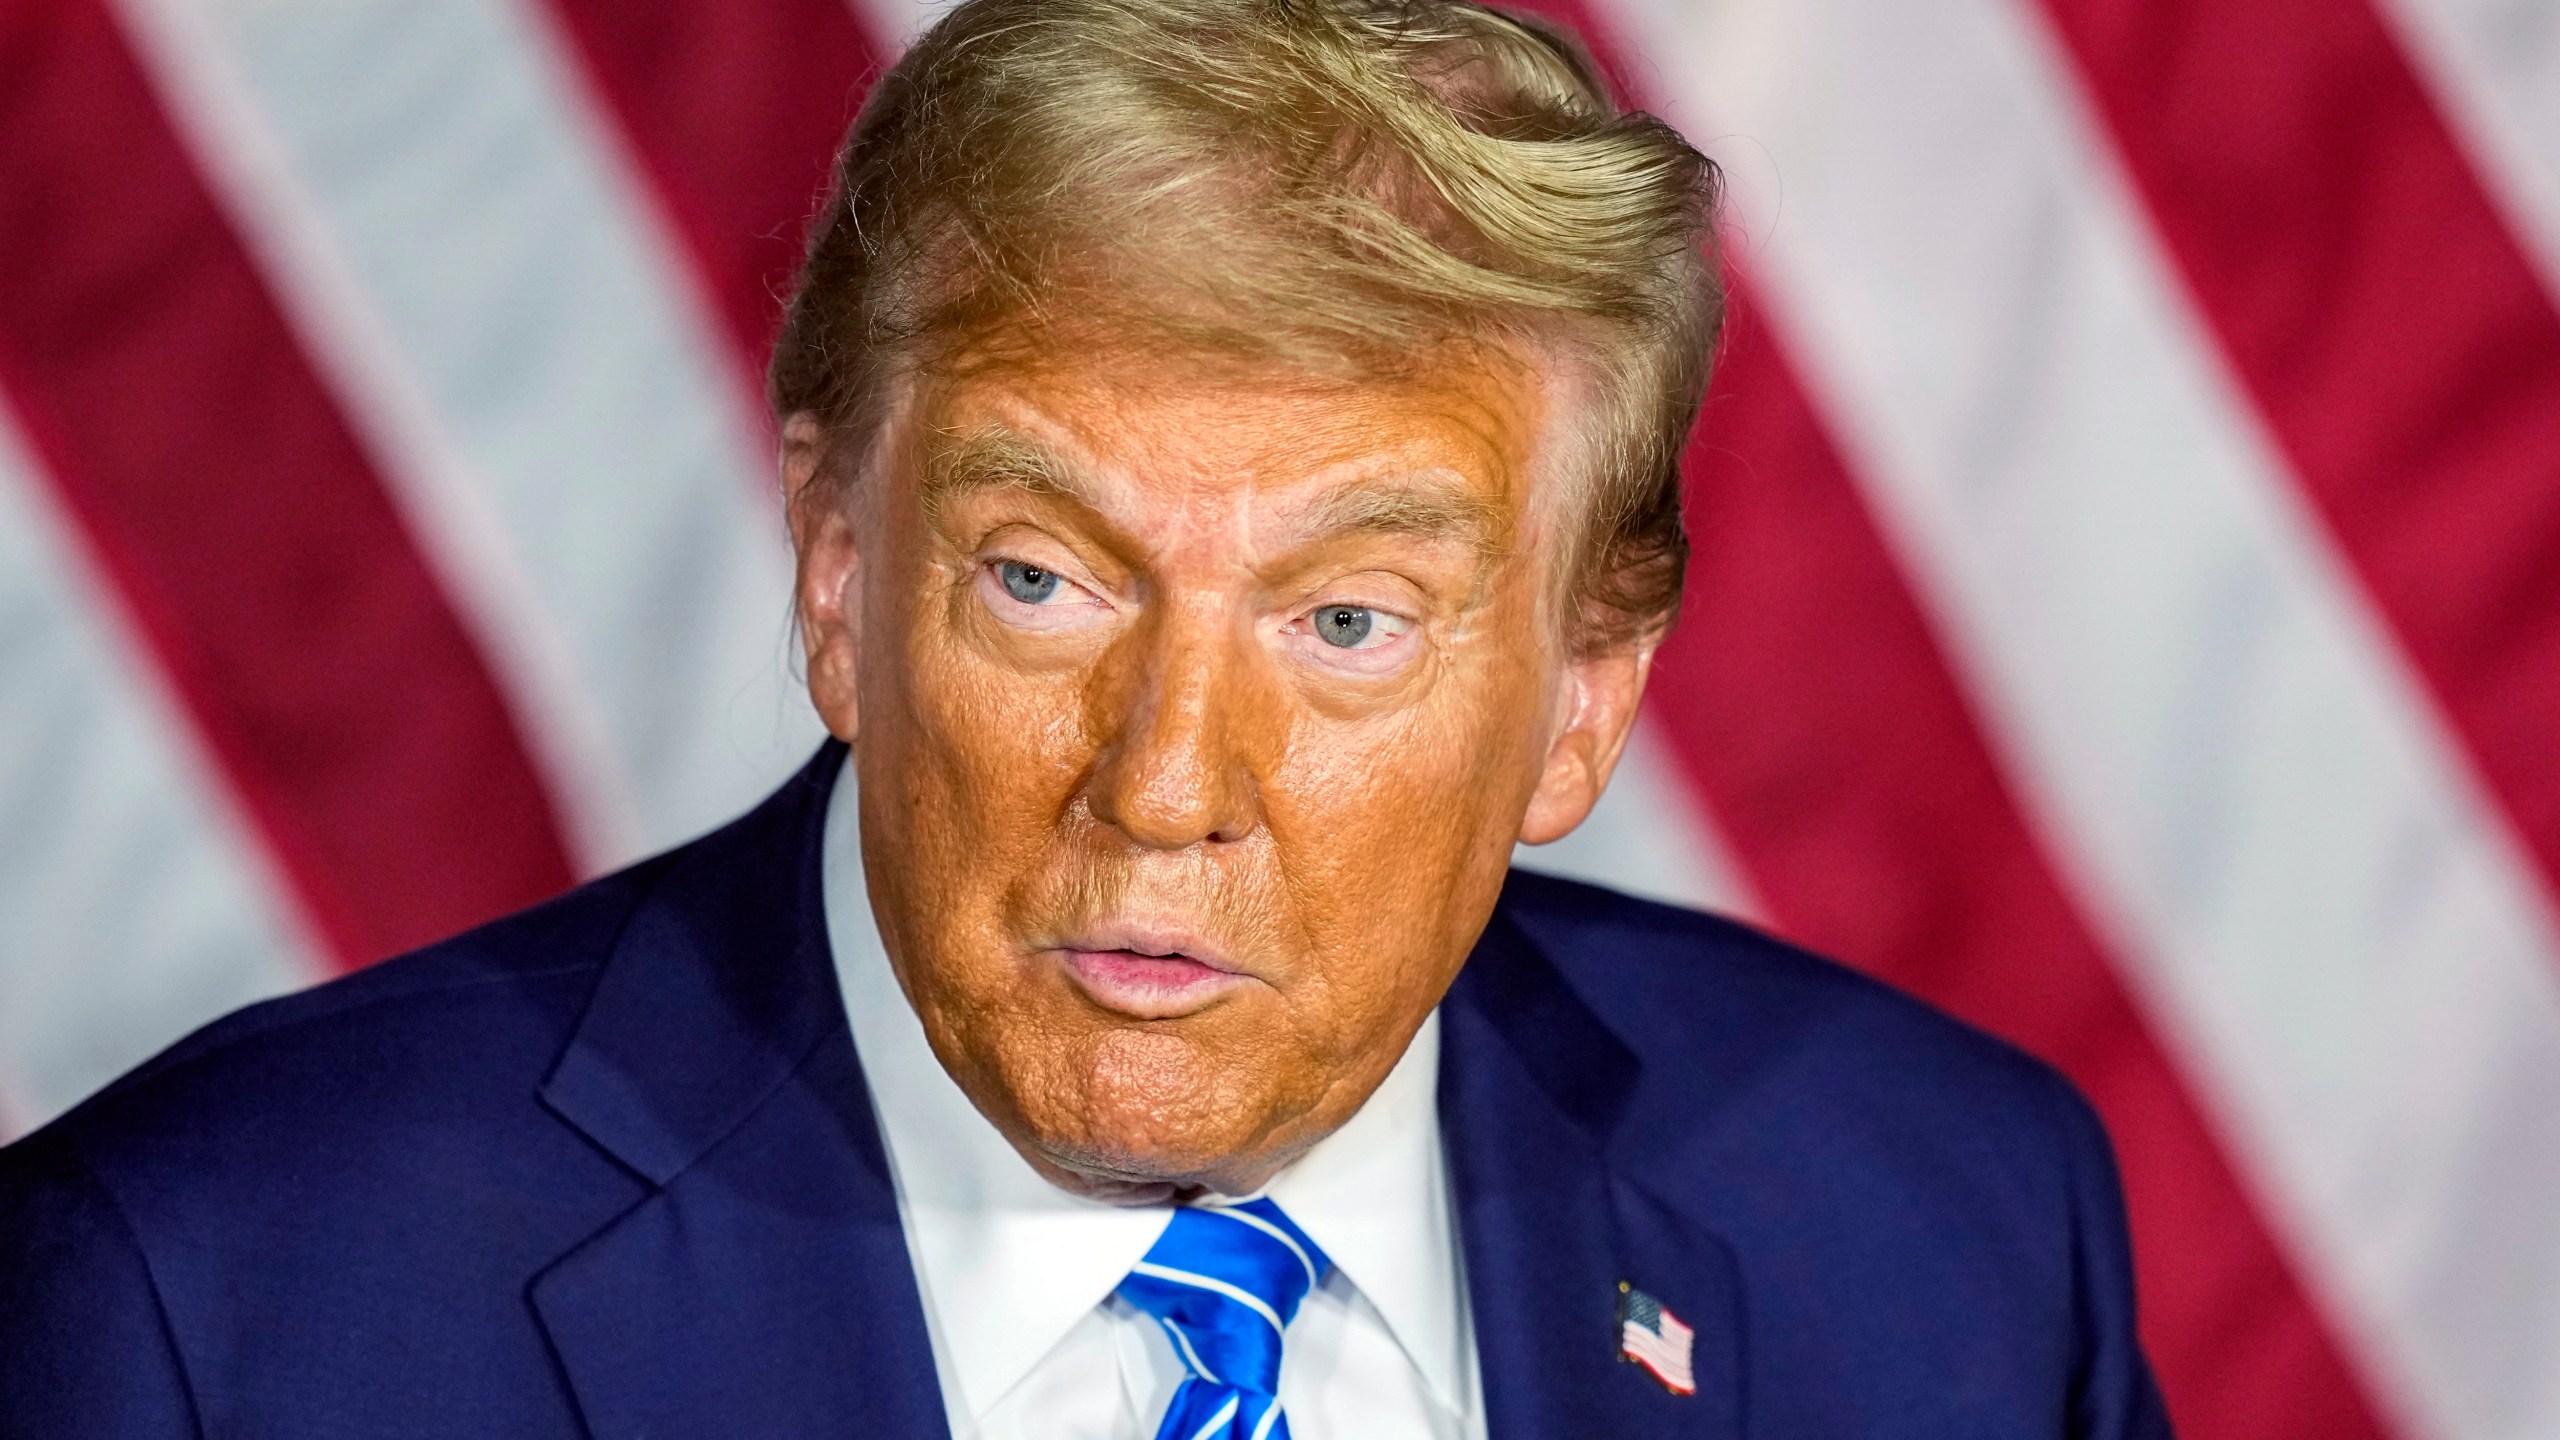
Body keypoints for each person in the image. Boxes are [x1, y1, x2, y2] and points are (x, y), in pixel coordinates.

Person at [0, 1, 2171, 1436]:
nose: (1162, 787)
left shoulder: (1941, 1236)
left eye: (1345, 619)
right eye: (1040, 579)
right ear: (840, 576)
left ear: (1580, 699)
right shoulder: (211, 1312)